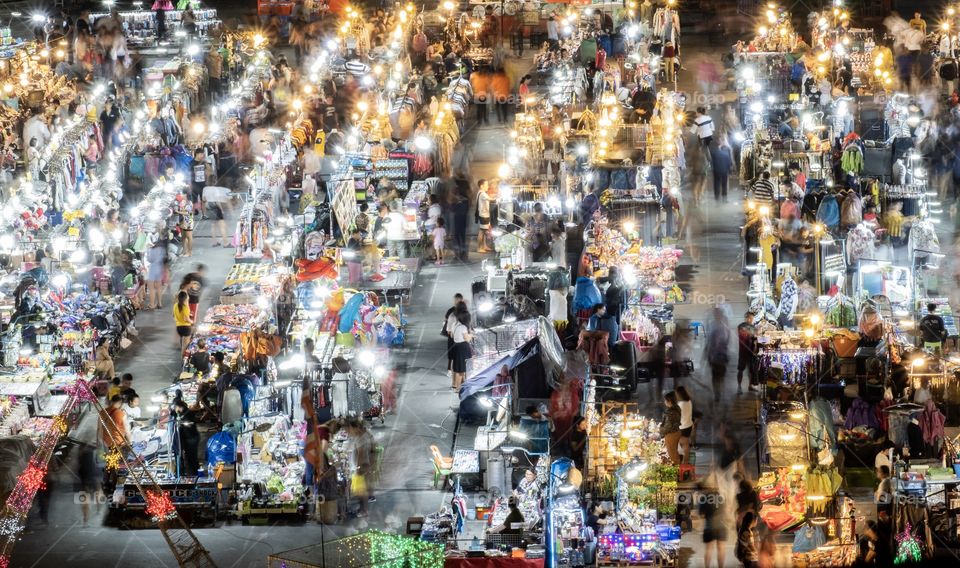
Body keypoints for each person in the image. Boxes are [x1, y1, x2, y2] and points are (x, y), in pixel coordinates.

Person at [698, 483, 727, 568]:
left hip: (709, 526)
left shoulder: (704, 498)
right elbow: (724, 511)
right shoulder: (721, 497)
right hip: (721, 526)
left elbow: (702, 515)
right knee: (721, 548)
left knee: (709, 549)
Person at [706, 311, 731, 402]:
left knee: (720, 376)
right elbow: (709, 342)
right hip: (716, 356)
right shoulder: (714, 326)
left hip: (720, 355)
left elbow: (727, 340)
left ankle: (719, 393)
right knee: (716, 376)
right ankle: (717, 393)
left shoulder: (723, 327)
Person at [173, 400, 200, 476]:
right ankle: (192, 473)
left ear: (178, 407)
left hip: (191, 438)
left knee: (192, 457)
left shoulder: (187, 413)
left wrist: (182, 423)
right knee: (189, 457)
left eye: (175, 407)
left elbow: (190, 424)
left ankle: (195, 474)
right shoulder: (182, 413)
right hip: (188, 438)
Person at [451, 309, 474, 390]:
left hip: (456, 347)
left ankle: (459, 386)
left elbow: (452, 335)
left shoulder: (456, 324)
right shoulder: (463, 327)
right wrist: (471, 335)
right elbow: (467, 339)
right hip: (463, 348)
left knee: (458, 369)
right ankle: (458, 388)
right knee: (462, 369)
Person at [736, 312, 758, 394]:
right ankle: (739, 387)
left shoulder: (753, 327)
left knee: (751, 370)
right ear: (746, 318)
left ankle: (750, 386)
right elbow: (744, 333)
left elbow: (755, 336)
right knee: (740, 369)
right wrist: (754, 333)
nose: (750, 320)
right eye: (749, 318)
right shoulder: (741, 326)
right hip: (743, 351)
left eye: (752, 318)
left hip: (751, 352)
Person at [443, 296, 466, 374]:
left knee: (458, 356)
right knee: (451, 354)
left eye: (459, 300)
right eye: (456, 300)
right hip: (453, 338)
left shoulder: (464, 312)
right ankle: (450, 369)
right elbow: (448, 325)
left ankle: (456, 371)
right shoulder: (451, 313)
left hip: (461, 339)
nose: (457, 302)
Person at [660, 392, 682, 464]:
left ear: (669, 401)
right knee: (674, 452)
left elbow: (668, 426)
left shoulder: (670, 412)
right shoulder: (677, 408)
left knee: (672, 454)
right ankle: (677, 469)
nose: (664, 402)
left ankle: (676, 472)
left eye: (665, 400)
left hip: (671, 434)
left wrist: (660, 431)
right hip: (676, 432)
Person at [145, 237, 166, 309]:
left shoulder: (151, 250)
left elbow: (149, 259)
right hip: (160, 268)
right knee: (159, 287)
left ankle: (152, 304)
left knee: (151, 288)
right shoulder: (162, 249)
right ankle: (160, 303)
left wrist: (148, 250)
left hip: (153, 269)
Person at [676, 386, 694, 464]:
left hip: (682, 427)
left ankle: (683, 461)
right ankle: (685, 461)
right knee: (686, 444)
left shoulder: (680, 404)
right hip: (688, 425)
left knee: (680, 444)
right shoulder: (689, 401)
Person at [476, 179, 493, 253]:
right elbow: (491, 199)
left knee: (485, 231)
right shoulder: (482, 193)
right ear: (481, 186)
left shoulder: (482, 193)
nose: (488, 186)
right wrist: (497, 197)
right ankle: (479, 248)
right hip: (483, 215)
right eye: (486, 185)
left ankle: (484, 246)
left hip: (485, 214)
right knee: (482, 231)